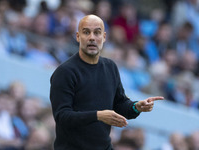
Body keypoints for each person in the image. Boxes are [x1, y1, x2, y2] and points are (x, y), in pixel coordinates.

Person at [50, 14, 164, 150]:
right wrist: (98, 116)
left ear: (104, 37)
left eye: (97, 33)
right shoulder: (65, 72)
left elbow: (120, 104)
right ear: (78, 37)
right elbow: (62, 117)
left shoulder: (110, 67)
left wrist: (136, 107)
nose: (92, 37)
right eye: (86, 32)